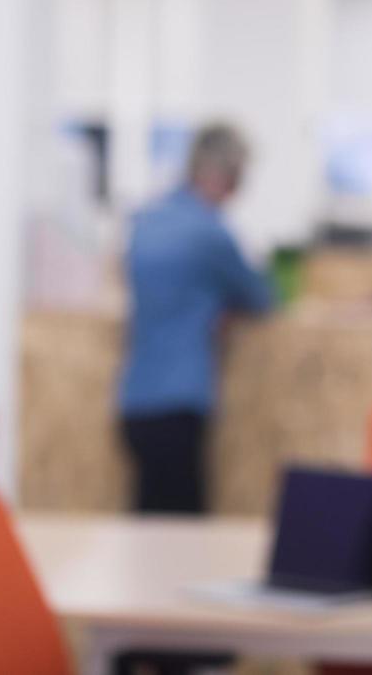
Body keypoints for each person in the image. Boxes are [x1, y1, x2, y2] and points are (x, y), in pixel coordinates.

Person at [118, 123, 276, 514]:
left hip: (134, 401)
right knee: (184, 539)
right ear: (224, 174)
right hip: (179, 405)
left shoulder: (144, 221)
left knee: (147, 532)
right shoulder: (209, 233)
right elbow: (262, 297)